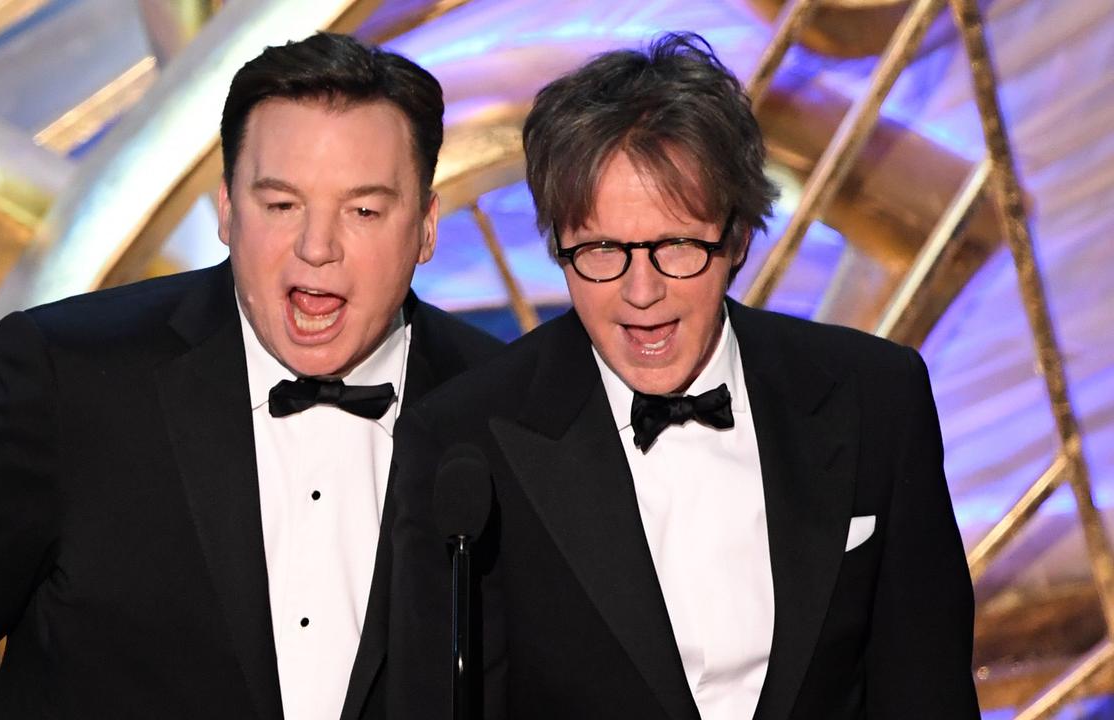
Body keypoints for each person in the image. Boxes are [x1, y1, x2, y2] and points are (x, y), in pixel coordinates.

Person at [0, 32, 501, 720]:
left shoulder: (503, 407)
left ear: (427, 227)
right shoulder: (66, 376)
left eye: (364, 211)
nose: (318, 249)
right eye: (281, 205)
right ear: (227, 209)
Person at [387, 32, 978, 719]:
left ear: (735, 239)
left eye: (675, 247)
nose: (642, 293)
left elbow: (927, 694)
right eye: (602, 250)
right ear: (558, 245)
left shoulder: (877, 396)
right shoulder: (466, 440)